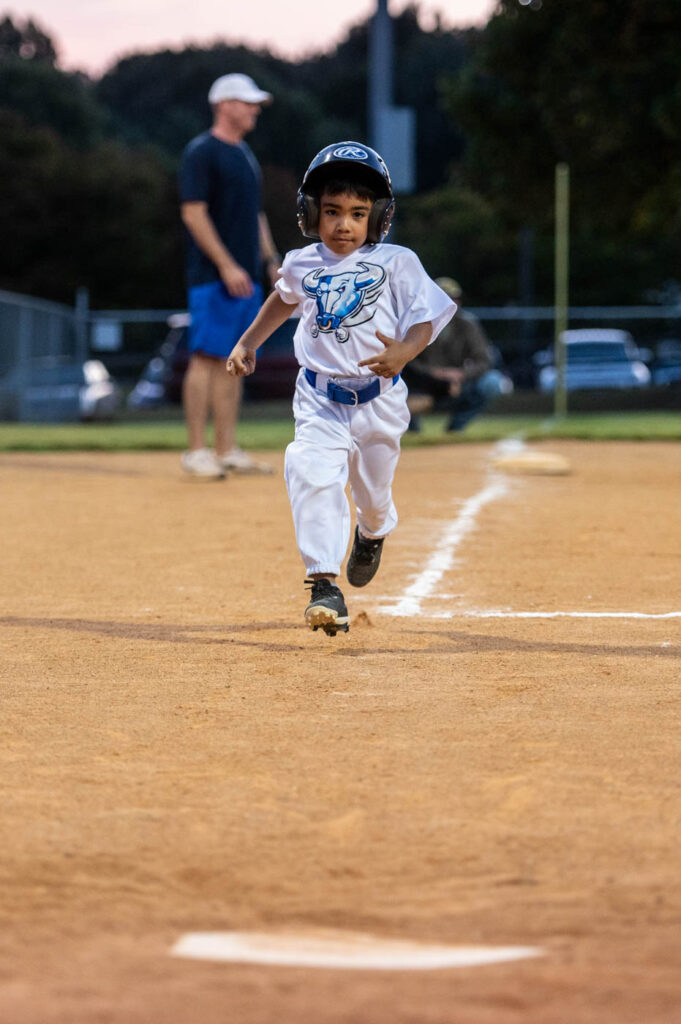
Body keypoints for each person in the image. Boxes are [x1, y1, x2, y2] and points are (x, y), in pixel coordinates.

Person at [227, 142, 456, 635]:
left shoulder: (397, 262)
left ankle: (372, 532)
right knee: (310, 469)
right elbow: (282, 300)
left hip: (379, 400)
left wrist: (404, 353)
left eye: (357, 213)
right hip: (318, 396)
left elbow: (428, 317)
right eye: (331, 211)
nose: (343, 225)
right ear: (311, 213)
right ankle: (323, 583)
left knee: (372, 495)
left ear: (379, 217)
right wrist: (248, 342)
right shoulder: (301, 262)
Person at [178, 73, 280, 478]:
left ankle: (225, 449)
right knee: (206, 357)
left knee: (236, 358)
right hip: (213, 277)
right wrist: (225, 264)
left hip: (246, 276)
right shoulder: (201, 152)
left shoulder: (245, 155)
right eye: (248, 102)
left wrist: (271, 260)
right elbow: (193, 213)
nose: (255, 110)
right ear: (225, 105)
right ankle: (195, 451)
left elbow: (256, 215)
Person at [402, 277, 512, 432]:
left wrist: (460, 375)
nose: (450, 302)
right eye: (444, 298)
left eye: (454, 298)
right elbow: (405, 359)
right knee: (396, 383)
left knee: (492, 382)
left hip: (458, 383)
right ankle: (413, 431)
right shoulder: (415, 322)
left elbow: (483, 360)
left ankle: (456, 429)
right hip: (423, 383)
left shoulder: (468, 324)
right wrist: (435, 374)